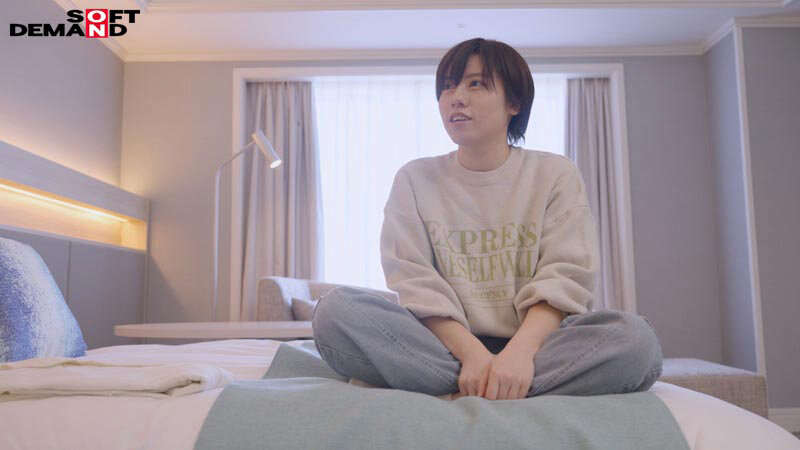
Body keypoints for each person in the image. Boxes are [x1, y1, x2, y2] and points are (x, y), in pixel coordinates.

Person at [312, 37, 663, 401]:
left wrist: (519, 355)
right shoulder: (414, 178)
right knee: (335, 312)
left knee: (636, 341)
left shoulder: (554, 173)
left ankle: (473, 383)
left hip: (538, 346)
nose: (456, 97)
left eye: (476, 84)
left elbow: (565, 277)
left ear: (514, 103)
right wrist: (473, 356)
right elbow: (415, 282)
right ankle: (499, 384)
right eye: (448, 86)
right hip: (444, 346)